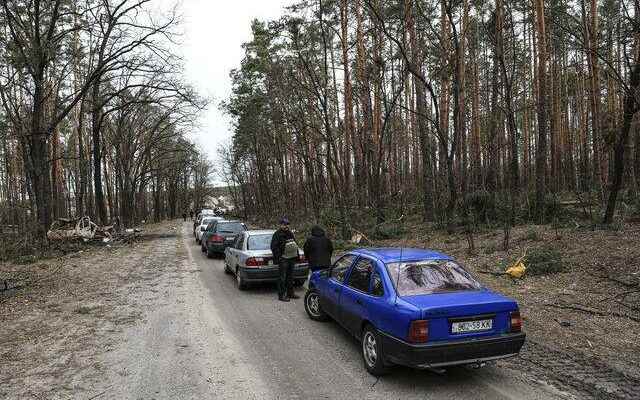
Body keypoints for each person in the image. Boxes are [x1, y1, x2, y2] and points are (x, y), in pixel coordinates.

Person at [270, 218, 300, 302]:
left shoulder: (290, 233)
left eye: (287, 224)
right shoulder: (277, 234)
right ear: (280, 225)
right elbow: (273, 247)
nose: (286, 226)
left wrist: (296, 256)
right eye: (284, 224)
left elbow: (295, 245)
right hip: (283, 259)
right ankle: (281, 295)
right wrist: (279, 257)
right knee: (282, 278)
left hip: (291, 258)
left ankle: (290, 293)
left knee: (290, 277)